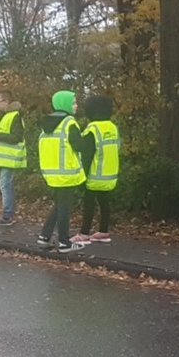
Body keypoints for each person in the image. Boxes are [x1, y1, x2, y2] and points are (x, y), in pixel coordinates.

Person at [36, 90, 87, 252]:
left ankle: (44, 237)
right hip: (67, 174)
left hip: (52, 174)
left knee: (59, 205)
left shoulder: (46, 125)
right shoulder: (69, 123)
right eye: (73, 102)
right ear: (65, 104)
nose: (76, 105)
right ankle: (64, 242)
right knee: (64, 207)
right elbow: (79, 146)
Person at [75, 94, 121, 244]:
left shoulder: (92, 129)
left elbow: (87, 155)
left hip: (94, 175)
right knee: (104, 203)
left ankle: (84, 233)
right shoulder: (112, 128)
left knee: (89, 203)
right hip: (109, 175)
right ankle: (103, 231)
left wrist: (82, 176)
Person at [0, 89, 26, 225]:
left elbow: (16, 137)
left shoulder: (15, 116)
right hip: (4, 159)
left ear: (6, 102)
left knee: (5, 185)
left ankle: (7, 216)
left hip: (11, 158)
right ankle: (9, 213)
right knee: (6, 185)